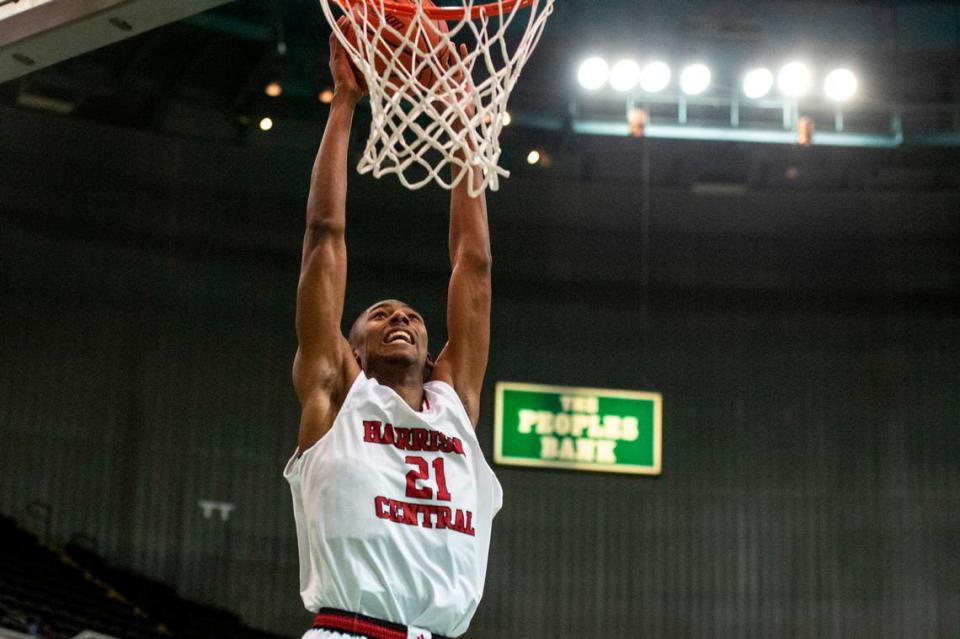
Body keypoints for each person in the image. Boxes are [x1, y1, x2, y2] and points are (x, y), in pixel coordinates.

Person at [283, 30, 502, 639]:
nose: (400, 318)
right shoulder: (336, 395)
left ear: (433, 351)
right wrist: (344, 103)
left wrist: (466, 131)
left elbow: (474, 267)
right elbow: (324, 235)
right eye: (379, 314)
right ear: (350, 349)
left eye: (410, 315)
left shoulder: (454, 403)